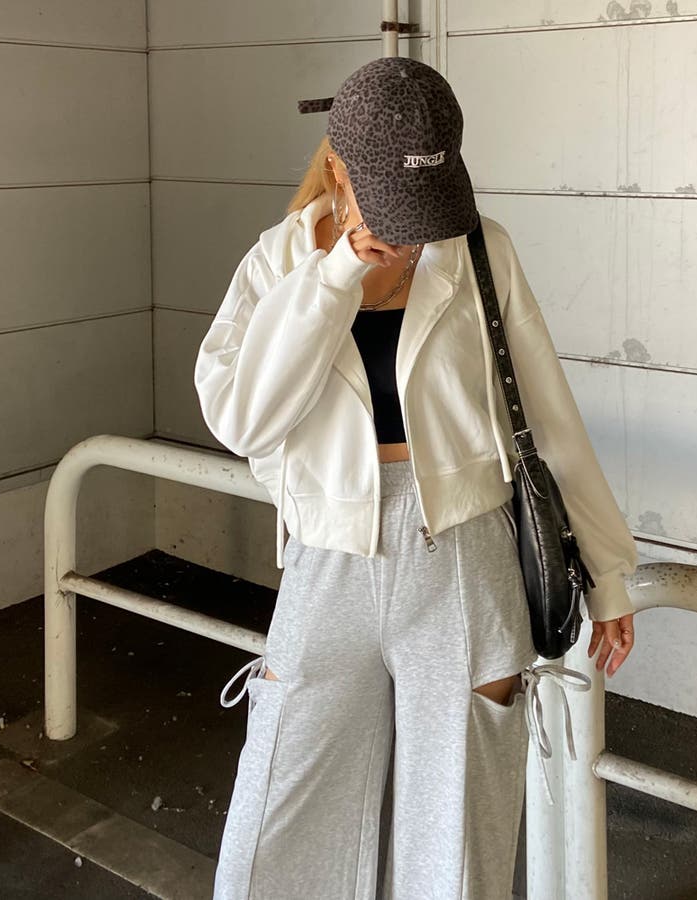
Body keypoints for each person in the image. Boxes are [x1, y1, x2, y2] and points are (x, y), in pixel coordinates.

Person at [194, 56, 637, 900]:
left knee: (456, 835)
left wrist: (607, 567)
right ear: (339, 170)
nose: (416, 226)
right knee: (277, 823)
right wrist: (335, 278)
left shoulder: (479, 248)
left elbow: (547, 413)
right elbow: (243, 420)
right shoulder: (279, 261)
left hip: (466, 555)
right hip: (329, 556)